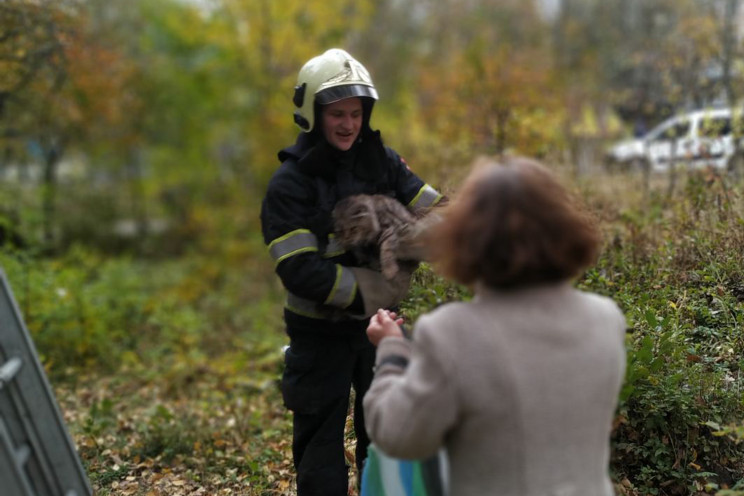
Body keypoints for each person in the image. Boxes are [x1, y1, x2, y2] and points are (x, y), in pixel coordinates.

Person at [363, 156, 627, 496]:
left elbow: (399, 435)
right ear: (564, 228)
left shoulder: (453, 333)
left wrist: (392, 351)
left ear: (468, 240)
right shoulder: (605, 318)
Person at [260, 48, 444, 495]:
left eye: (356, 113)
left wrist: (417, 236)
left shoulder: (384, 162)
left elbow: (438, 212)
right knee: (319, 451)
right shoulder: (290, 184)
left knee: (385, 440)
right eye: (337, 114)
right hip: (318, 334)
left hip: (381, 332)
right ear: (312, 114)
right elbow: (299, 270)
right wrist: (377, 290)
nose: (348, 124)